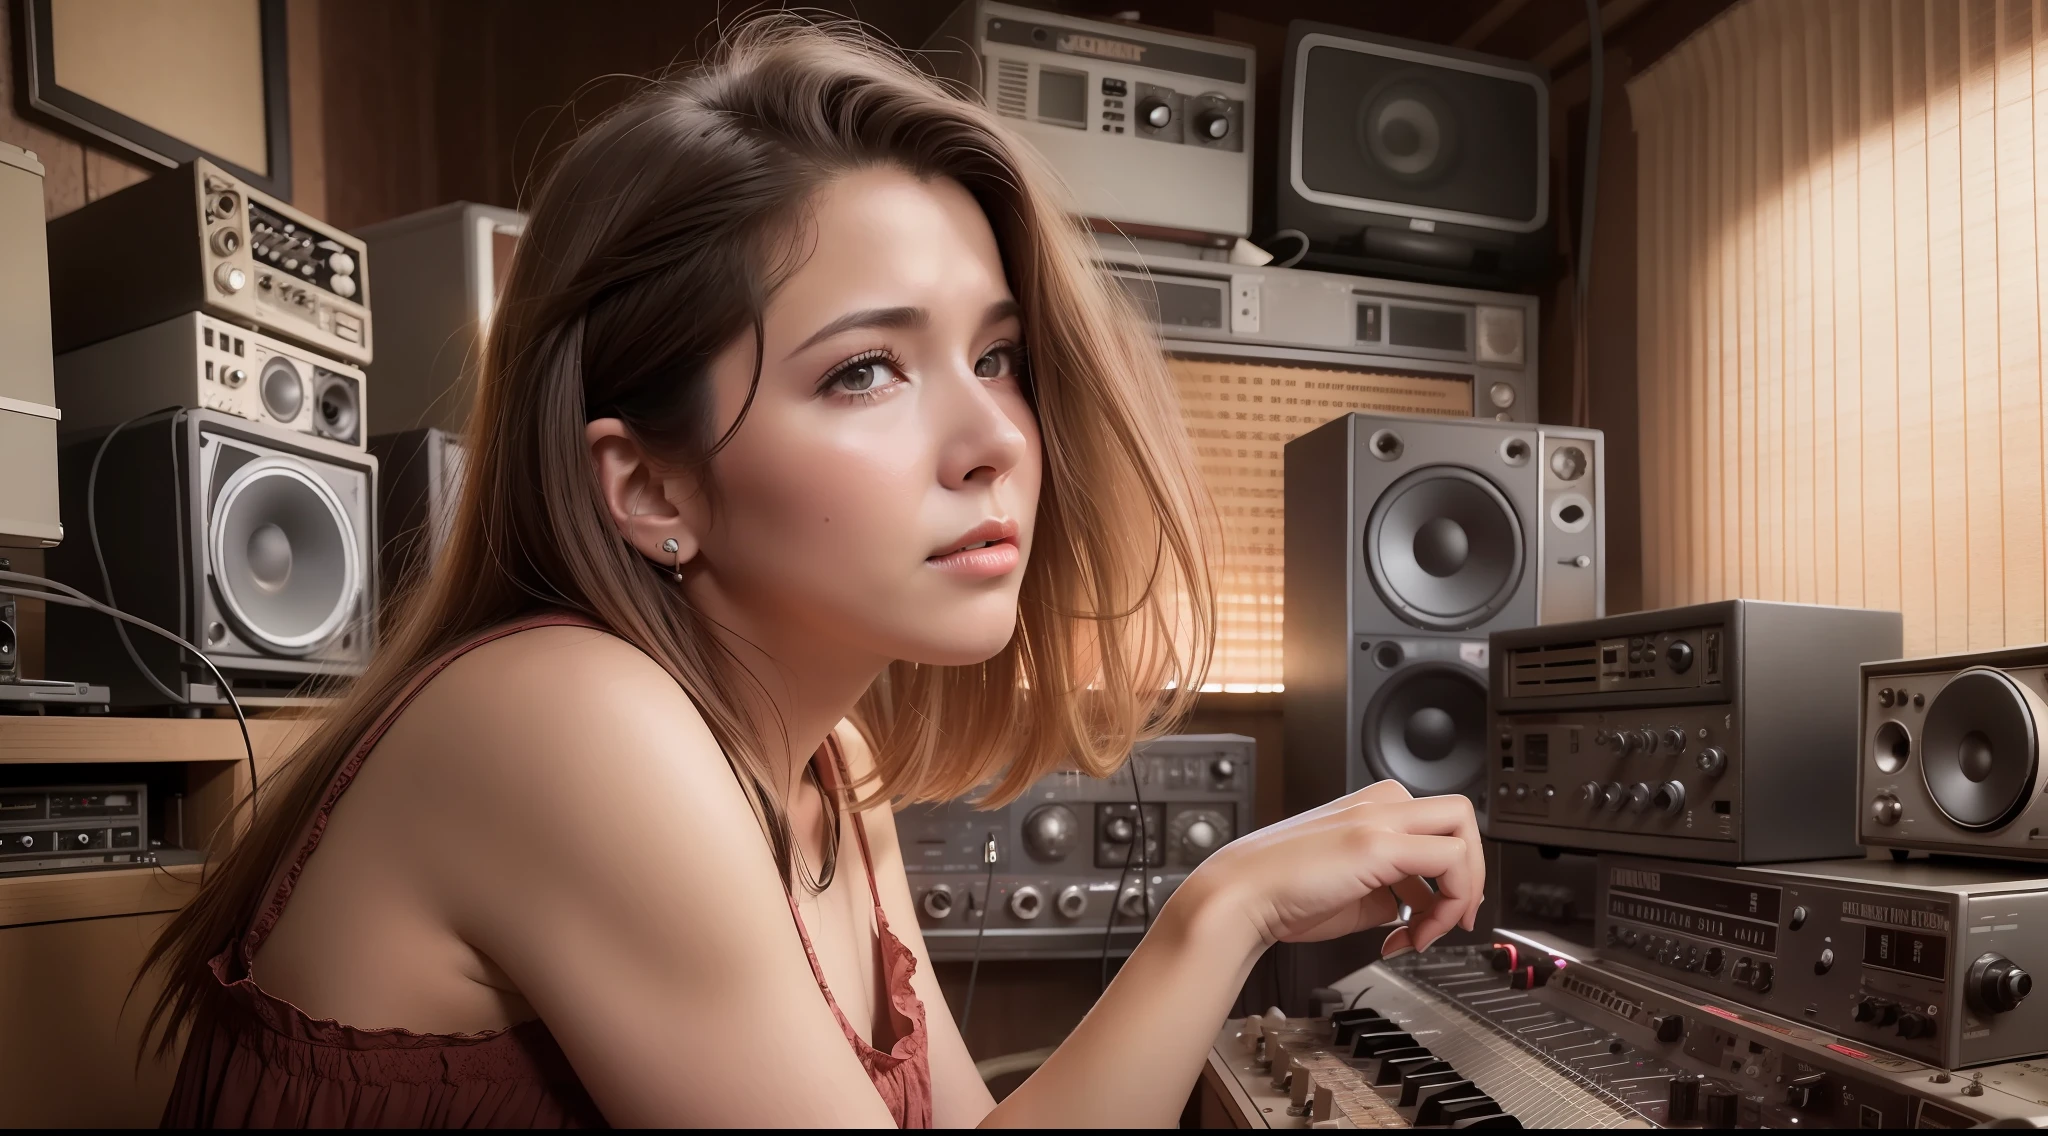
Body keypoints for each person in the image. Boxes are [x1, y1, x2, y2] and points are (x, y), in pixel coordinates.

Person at [145, 18, 1482, 1128]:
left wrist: (1233, 903)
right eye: (865, 369)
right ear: (652, 488)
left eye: (997, 355)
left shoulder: (829, 763)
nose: (995, 440)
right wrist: (1223, 906)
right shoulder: (564, 718)